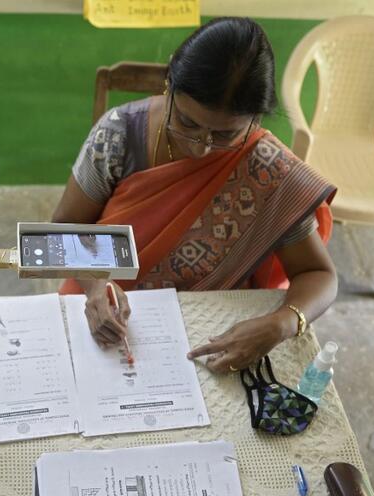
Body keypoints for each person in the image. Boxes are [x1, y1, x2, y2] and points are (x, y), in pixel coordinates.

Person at [54, 17, 338, 374]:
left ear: (255, 120)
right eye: (187, 123)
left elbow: (320, 275)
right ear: (169, 84)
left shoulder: (268, 170)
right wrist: (96, 288)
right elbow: (64, 228)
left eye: (225, 135)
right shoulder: (118, 137)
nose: (201, 148)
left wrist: (281, 323)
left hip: (204, 333)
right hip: (102, 311)